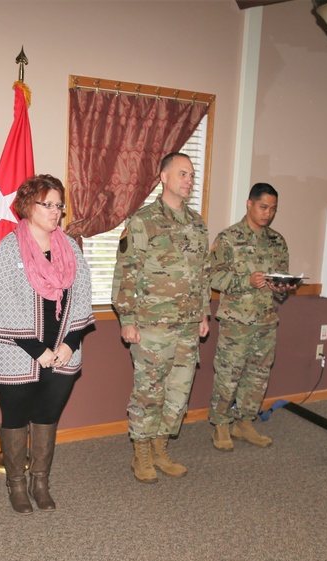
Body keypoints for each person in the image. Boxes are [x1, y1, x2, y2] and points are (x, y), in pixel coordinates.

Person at [0, 174, 94, 513]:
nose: (55, 211)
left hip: (62, 352)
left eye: (59, 205)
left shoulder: (70, 246)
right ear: (29, 206)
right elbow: (0, 303)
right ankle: (16, 484)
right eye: (48, 204)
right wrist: (38, 350)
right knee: (14, 416)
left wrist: (69, 343)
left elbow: (83, 296)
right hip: (17, 353)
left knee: (48, 415)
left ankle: (40, 480)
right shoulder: (8, 249)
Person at [112, 152, 211, 483]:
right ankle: (141, 452)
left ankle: (160, 446)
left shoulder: (197, 224)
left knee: (179, 391)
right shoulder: (143, 221)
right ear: (163, 177)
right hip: (152, 325)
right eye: (182, 174)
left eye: (192, 175)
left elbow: (203, 274)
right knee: (150, 390)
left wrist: (203, 314)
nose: (188, 180)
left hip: (187, 325)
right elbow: (126, 272)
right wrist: (127, 317)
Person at [209, 183, 293, 451]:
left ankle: (244, 422)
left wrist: (283, 288)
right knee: (228, 375)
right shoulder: (228, 238)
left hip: (267, 320)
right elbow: (213, 277)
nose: (268, 213)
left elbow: (280, 282)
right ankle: (221, 425)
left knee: (258, 375)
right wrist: (247, 280)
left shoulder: (277, 241)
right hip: (237, 322)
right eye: (263, 207)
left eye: (273, 209)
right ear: (249, 204)